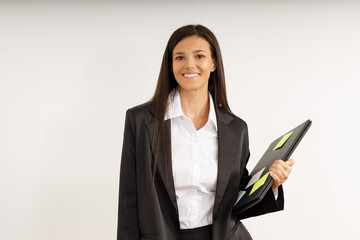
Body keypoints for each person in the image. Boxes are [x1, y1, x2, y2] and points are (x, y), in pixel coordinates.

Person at [117, 24, 295, 240]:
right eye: (180, 57)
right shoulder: (141, 121)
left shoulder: (236, 129)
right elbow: (129, 201)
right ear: (171, 65)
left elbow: (237, 199)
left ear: (213, 63)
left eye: (199, 56)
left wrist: (272, 184)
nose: (189, 64)